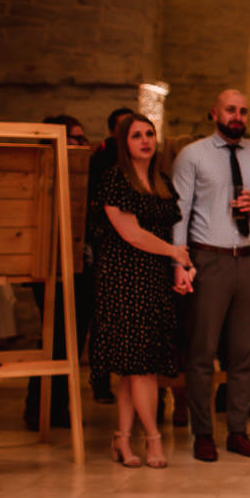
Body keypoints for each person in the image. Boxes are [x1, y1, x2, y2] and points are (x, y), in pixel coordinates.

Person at [170, 88, 250, 463]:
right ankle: (203, 433)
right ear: (214, 112)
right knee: (202, 353)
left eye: (243, 111)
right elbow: (180, 213)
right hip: (209, 260)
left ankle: (238, 430)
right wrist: (179, 260)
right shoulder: (193, 155)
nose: (238, 116)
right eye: (231, 110)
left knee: (243, 352)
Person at [91, 113, 191, 469]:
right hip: (123, 281)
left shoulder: (161, 181)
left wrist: (179, 267)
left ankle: (121, 438)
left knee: (134, 369)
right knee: (142, 368)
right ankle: (153, 439)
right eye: (137, 135)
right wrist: (174, 253)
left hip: (154, 281)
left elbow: (169, 233)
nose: (145, 140)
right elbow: (130, 233)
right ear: (124, 142)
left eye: (149, 134)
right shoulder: (115, 180)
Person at [84, 107, 134, 405]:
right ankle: (100, 381)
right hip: (106, 247)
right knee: (102, 320)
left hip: (135, 250)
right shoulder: (101, 158)